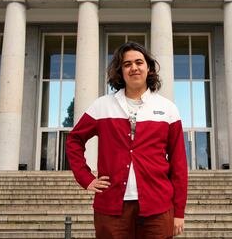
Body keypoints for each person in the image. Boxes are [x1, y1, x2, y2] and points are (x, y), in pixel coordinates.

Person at [66, 42, 188, 238]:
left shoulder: (168, 109)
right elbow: (74, 140)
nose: (134, 68)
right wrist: (85, 178)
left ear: (148, 68)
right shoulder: (102, 106)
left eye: (139, 62)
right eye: (127, 64)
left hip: (158, 207)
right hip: (111, 208)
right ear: (120, 71)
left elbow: (179, 164)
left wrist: (179, 212)